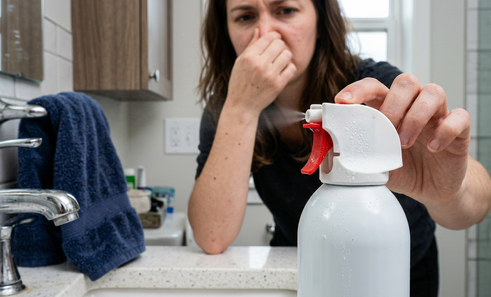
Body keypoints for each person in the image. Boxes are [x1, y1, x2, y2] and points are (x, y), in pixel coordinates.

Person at [187, 0, 491, 296]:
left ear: (319, 22)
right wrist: (241, 109)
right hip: (305, 264)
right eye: (244, 17)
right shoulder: (228, 108)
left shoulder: (370, 88)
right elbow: (212, 236)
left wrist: (448, 190)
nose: (265, 33)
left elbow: (474, 207)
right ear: (225, 32)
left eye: (286, 10)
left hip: (396, 266)